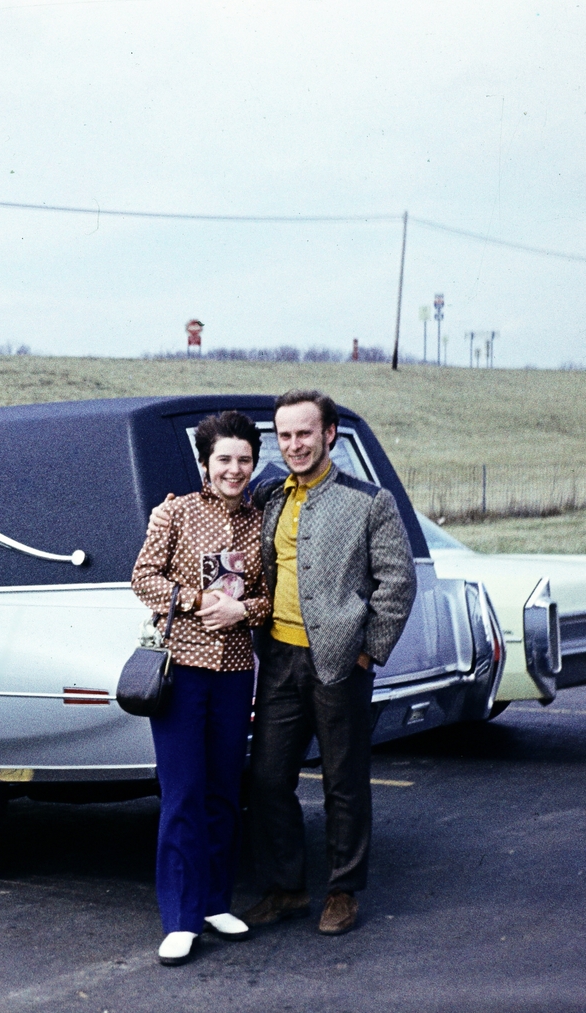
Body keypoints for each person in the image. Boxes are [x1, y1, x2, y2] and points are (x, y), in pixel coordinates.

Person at [148, 390, 416, 937]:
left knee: (344, 782)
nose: (294, 444)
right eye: (285, 436)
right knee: (267, 780)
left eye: (304, 434)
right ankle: (286, 888)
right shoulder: (269, 498)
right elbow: (218, 517)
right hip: (276, 662)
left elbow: (398, 582)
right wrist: (169, 509)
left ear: (329, 435)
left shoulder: (369, 501)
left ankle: (342, 890)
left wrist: (369, 649)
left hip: (339, 662)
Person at [130, 410, 272, 967]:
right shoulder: (175, 512)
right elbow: (143, 577)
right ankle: (181, 919)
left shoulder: (261, 523)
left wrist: (243, 608)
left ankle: (215, 902)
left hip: (236, 673)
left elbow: (270, 598)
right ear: (205, 463)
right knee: (184, 792)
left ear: (253, 462)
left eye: (243, 459)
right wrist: (197, 600)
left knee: (222, 792)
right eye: (224, 459)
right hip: (182, 671)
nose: (234, 469)